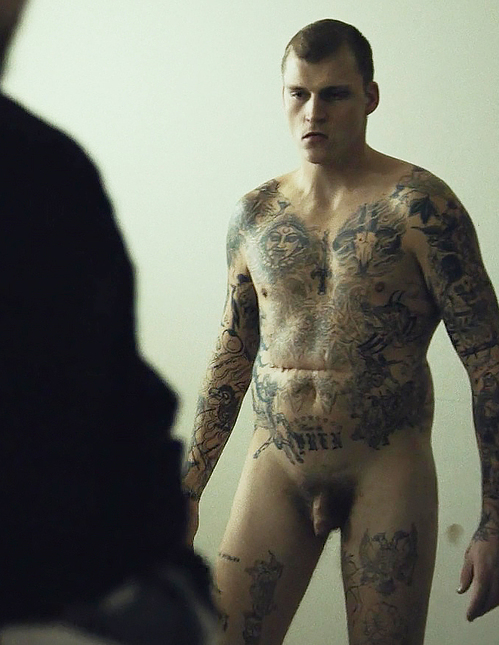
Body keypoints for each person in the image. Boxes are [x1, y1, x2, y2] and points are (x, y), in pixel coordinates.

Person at [182, 18, 499, 645]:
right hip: (276, 465)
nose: (313, 112)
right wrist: (188, 486)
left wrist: (498, 524)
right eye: (299, 94)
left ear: (369, 97)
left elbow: (488, 360)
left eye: (334, 94)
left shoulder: (420, 207)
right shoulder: (255, 214)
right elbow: (233, 348)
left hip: (385, 468)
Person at [0, 2, 223, 642]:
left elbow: (109, 398)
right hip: (68, 586)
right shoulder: (46, 169)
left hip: (96, 573)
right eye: (302, 94)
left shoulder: (48, 171)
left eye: (334, 94)